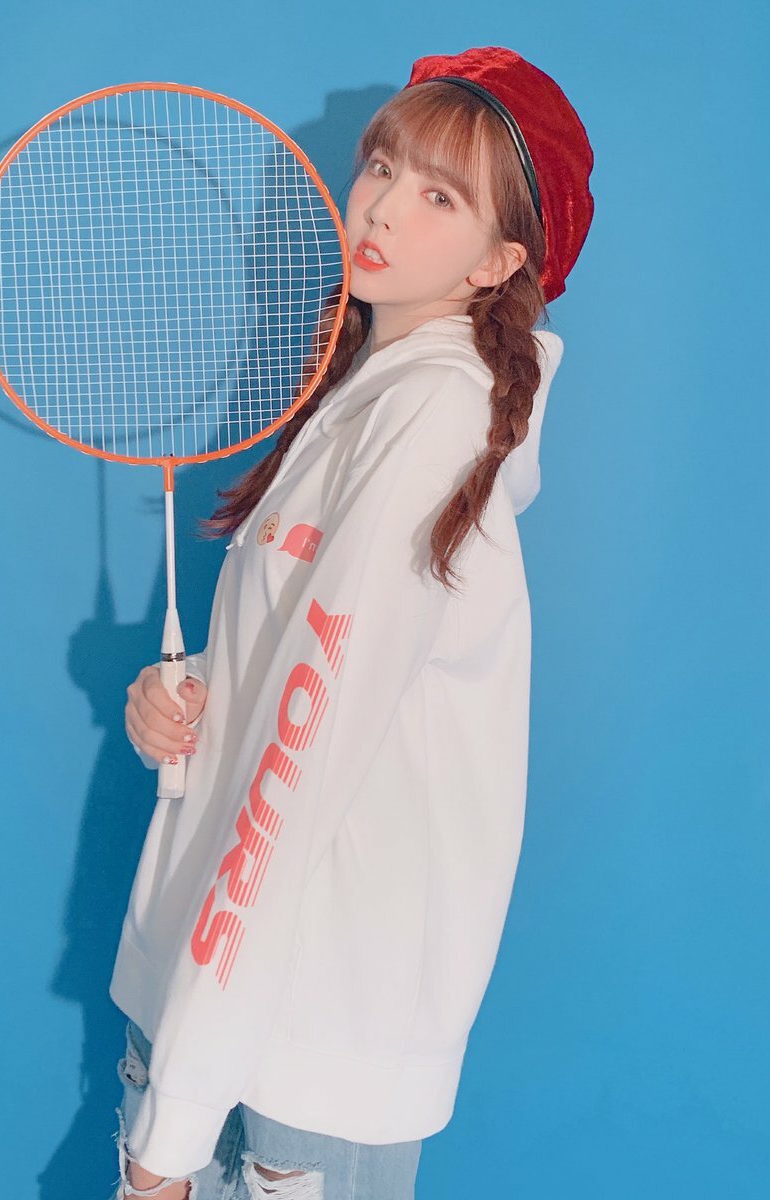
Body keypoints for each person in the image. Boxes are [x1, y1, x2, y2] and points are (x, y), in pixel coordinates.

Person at [112, 44, 595, 1200]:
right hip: (206, 997)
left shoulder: (433, 417)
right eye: (380, 165)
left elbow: (310, 752)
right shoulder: (364, 393)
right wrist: (188, 701)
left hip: (304, 1033)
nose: (379, 207)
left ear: (501, 261)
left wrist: (172, 1138)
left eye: (439, 197)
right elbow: (307, 685)